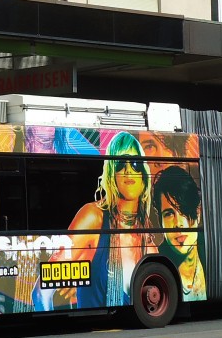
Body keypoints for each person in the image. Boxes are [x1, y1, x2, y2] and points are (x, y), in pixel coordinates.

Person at [47, 131, 156, 308]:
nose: (129, 170)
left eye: (135, 163)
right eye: (120, 164)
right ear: (112, 173)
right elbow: (42, 290)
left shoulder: (148, 243)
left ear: (144, 174)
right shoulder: (94, 216)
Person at [155, 166, 206, 300]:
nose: (178, 223)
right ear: (160, 222)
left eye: (184, 209)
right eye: (169, 214)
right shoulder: (157, 264)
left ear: (198, 213)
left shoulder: (213, 252)